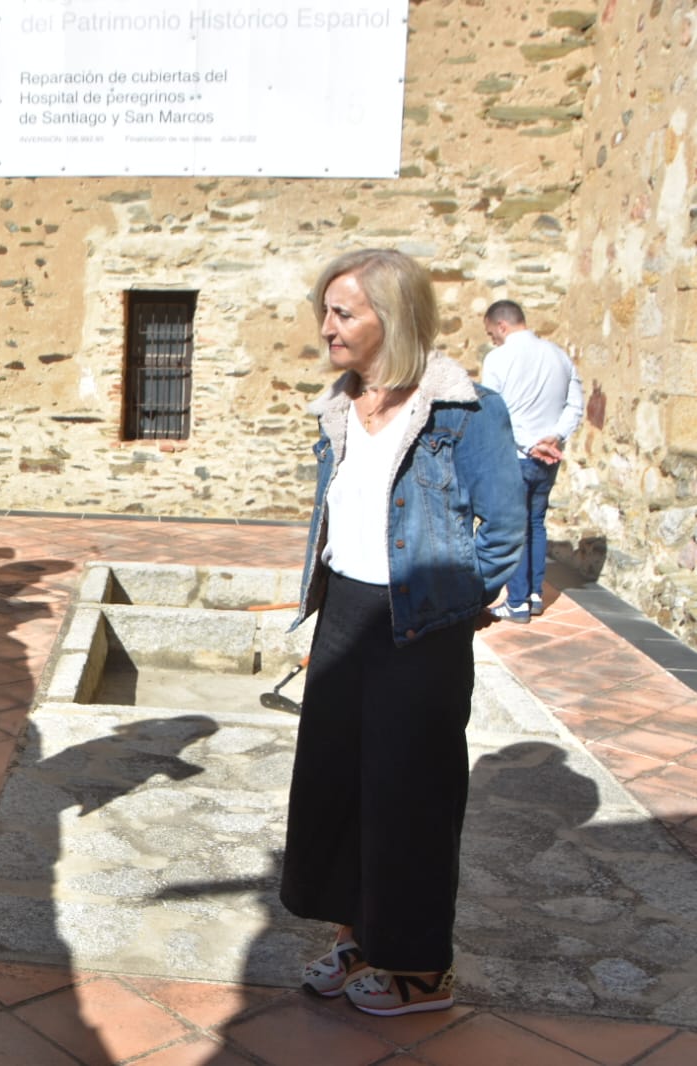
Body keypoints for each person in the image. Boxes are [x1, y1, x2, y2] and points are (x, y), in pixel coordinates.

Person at [281, 249, 525, 1016]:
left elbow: (505, 526)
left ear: (393, 316)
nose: (326, 327)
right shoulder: (340, 402)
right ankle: (361, 937)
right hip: (346, 612)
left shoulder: (466, 410)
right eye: (325, 310)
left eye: (342, 312)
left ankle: (420, 970)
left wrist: (456, 596)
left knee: (409, 795)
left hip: (420, 625)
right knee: (338, 785)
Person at [481, 300, 585, 623]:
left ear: (502, 326)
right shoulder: (560, 355)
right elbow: (575, 406)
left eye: (491, 334)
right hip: (548, 459)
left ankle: (517, 602)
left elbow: (492, 411)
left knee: (516, 528)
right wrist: (555, 437)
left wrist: (530, 445)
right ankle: (535, 594)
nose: (493, 340)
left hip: (517, 456)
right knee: (537, 522)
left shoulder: (498, 358)